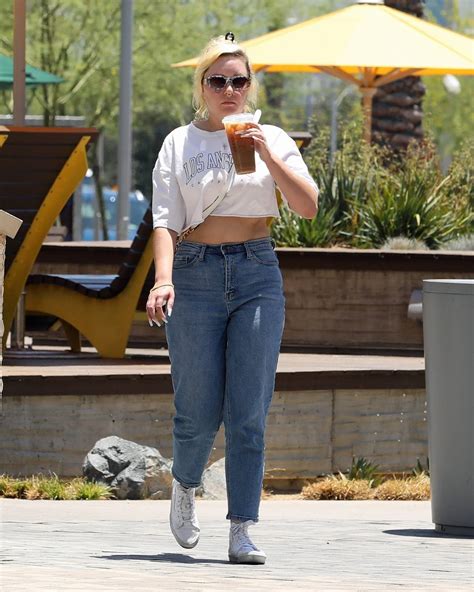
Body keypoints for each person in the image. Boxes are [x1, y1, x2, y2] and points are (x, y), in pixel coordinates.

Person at [146, 33, 318, 565]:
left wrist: (266, 148)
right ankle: (184, 486)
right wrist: (162, 280)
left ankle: (242, 526)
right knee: (196, 411)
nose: (228, 90)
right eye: (218, 80)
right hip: (194, 274)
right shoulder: (179, 143)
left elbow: (308, 207)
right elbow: (165, 221)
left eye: (238, 81)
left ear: (250, 86)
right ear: (202, 86)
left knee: (248, 410)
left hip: (256, 272)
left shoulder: (273, 137)